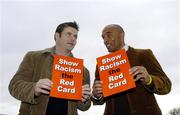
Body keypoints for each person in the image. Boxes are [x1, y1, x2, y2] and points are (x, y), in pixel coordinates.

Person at [9, 21, 91, 115]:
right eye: (68, 34)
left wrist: (84, 99)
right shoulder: (33, 57)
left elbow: (84, 107)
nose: (72, 38)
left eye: (75, 36)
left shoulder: (83, 71)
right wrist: (34, 88)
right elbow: (14, 85)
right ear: (57, 36)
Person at [91, 24, 172, 115]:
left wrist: (149, 80)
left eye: (109, 35)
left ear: (122, 35)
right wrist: (96, 95)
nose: (105, 40)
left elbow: (167, 85)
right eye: (103, 37)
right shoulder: (101, 65)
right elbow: (99, 99)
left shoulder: (144, 55)